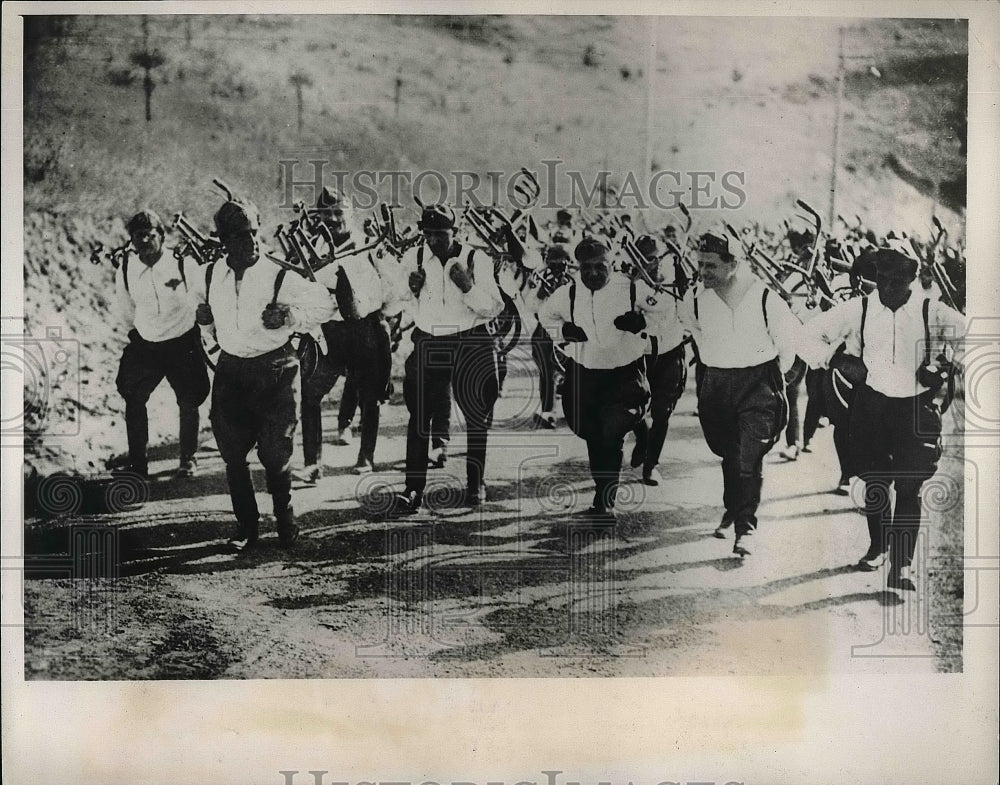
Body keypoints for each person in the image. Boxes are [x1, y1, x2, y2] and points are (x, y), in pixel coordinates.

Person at [805, 243, 966, 590]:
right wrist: (837, 361)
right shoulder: (858, 309)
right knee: (876, 481)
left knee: (910, 486)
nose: (888, 287)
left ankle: (902, 566)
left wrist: (942, 365)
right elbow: (808, 335)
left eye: (897, 279)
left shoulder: (931, 311)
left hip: (915, 408)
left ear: (912, 278)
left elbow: (975, 340)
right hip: (871, 406)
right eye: (881, 278)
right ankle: (877, 547)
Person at [193, 196, 334, 550]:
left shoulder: (278, 275)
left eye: (255, 233)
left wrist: (289, 317)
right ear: (224, 241)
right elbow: (207, 317)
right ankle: (246, 528)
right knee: (233, 453)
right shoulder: (209, 275)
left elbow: (324, 302)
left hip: (274, 370)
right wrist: (207, 325)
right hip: (231, 370)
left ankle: (285, 521)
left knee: (275, 452)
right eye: (241, 236)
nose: (252, 242)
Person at [678, 232, 825, 556]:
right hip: (716, 384)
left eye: (711, 265)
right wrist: (715, 362)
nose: (703, 271)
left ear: (733, 264)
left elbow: (787, 344)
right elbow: (694, 332)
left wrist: (774, 382)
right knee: (729, 454)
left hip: (758, 384)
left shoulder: (763, 298)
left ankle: (746, 527)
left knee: (750, 454)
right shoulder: (695, 299)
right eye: (700, 264)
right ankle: (733, 510)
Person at [386, 204, 506, 516]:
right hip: (430, 340)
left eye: (441, 234)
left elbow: (494, 307)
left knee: (476, 414)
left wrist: (467, 286)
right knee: (419, 417)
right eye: (429, 234)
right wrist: (409, 288)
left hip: (470, 341)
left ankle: (475, 482)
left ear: (455, 231)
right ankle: (413, 489)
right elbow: (396, 297)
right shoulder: (413, 257)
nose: (435, 240)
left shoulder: (474, 258)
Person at [538, 236, 670, 517]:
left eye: (600, 266)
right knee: (591, 434)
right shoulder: (569, 293)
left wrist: (642, 323)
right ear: (577, 268)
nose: (593, 274)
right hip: (584, 373)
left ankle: (604, 499)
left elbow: (666, 311)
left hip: (623, 374)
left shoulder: (632, 288)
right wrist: (563, 333)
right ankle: (635, 437)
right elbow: (545, 315)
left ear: (612, 264)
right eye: (586, 268)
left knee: (611, 434)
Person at [295, 186, 394, 481]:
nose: (333, 219)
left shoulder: (370, 247)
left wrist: (374, 313)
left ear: (349, 214)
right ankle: (313, 463)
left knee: (370, 395)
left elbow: (390, 286)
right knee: (311, 393)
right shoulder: (310, 250)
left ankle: (366, 456)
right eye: (326, 213)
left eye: (339, 212)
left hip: (365, 331)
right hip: (330, 332)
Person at [114, 209, 210, 479]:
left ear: (161, 236)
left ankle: (187, 460)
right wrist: (140, 332)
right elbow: (124, 306)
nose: (143, 241)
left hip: (182, 339)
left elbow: (201, 298)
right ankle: (138, 465)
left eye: (149, 235)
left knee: (188, 399)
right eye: (137, 236)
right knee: (133, 396)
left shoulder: (182, 264)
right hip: (147, 342)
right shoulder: (126, 267)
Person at [626, 234, 688, 486]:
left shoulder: (678, 284)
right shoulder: (631, 286)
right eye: (650, 260)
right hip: (640, 355)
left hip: (670, 353)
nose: (657, 264)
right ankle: (642, 438)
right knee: (633, 410)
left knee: (662, 412)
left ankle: (651, 465)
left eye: (661, 258)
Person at [525, 243, 574, 428]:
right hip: (545, 331)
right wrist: (540, 293)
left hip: (568, 331)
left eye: (562, 265)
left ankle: (572, 411)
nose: (558, 270)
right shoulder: (539, 279)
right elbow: (529, 306)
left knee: (572, 373)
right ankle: (548, 412)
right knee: (546, 373)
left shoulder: (575, 281)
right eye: (553, 265)